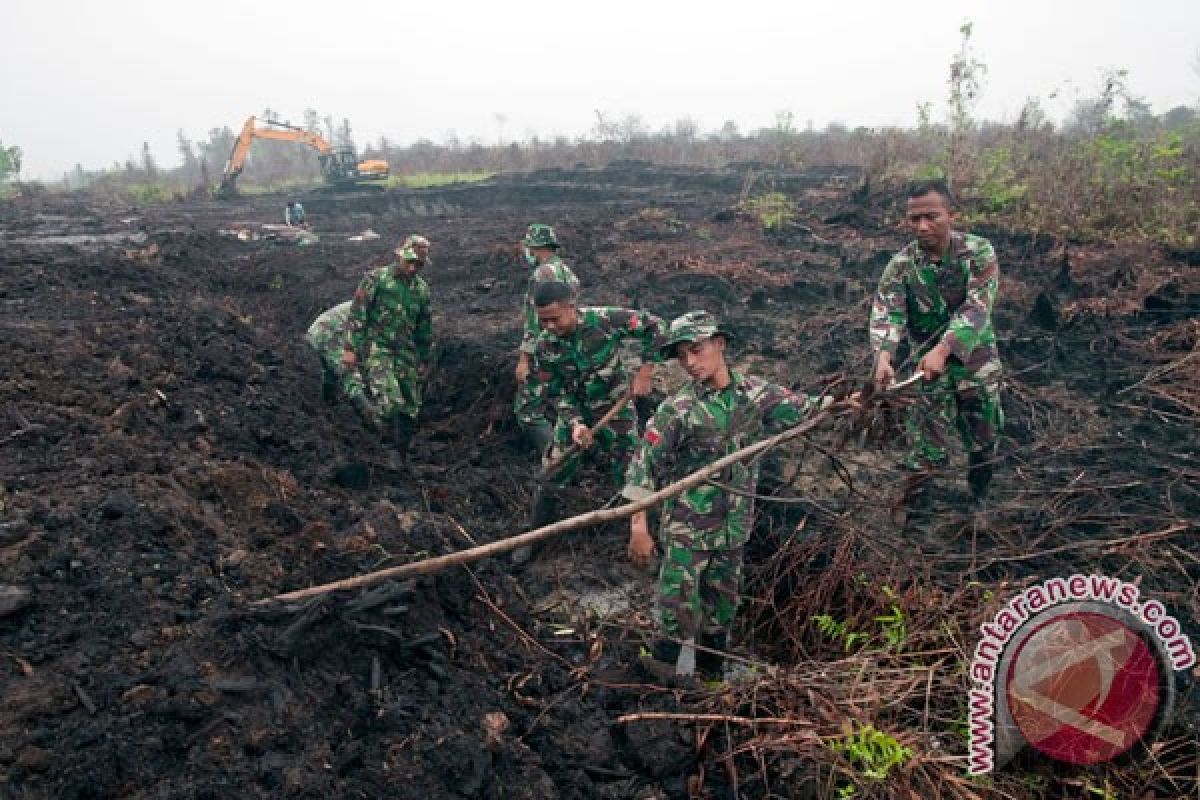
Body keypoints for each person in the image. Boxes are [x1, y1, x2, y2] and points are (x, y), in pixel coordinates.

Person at [622, 311, 837, 679]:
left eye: (697, 350)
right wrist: (639, 526)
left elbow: (810, 407)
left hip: (734, 530)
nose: (690, 363)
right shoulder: (678, 410)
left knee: (722, 609)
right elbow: (643, 467)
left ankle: (710, 682)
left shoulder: (755, 395)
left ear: (719, 344)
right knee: (676, 609)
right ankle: (659, 684)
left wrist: (853, 399)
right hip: (688, 531)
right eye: (681, 356)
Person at [868, 179, 1004, 525]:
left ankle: (979, 500)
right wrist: (884, 357)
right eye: (914, 219)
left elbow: (977, 308)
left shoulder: (978, 253)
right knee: (925, 443)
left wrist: (944, 350)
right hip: (925, 368)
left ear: (951, 215)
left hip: (975, 361)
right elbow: (888, 311)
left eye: (932, 216)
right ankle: (912, 504)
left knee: (984, 439)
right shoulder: (901, 264)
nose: (922, 226)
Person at [511, 281, 663, 564]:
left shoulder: (604, 320)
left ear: (572, 307)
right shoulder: (544, 346)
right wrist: (575, 424)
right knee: (552, 472)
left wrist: (645, 370)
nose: (550, 326)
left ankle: (647, 537)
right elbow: (557, 392)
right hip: (577, 415)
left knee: (634, 472)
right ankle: (535, 536)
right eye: (543, 321)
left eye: (555, 319)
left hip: (615, 411)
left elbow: (655, 326)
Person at [338, 240, 434, 455]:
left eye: (418, 264)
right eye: (409, 261)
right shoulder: (376, 279)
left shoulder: (421, 289)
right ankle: (380, 440)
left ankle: (400, 455)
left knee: (411, 407)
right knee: (390, 401)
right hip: (378, 349)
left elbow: (424, 328)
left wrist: (425, 360)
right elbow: (358, 314)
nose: (412, 268)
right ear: (399, 255)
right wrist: (350, 348)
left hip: (406, 353)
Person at [513, 224, 580, 455]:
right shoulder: (567, 272)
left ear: (534, 248)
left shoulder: (542, 274)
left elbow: (535, 321)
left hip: (545, 349)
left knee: (528, 411)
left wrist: (524, 359)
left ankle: (555, 457)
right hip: (567, 345)